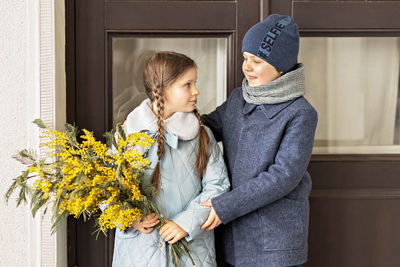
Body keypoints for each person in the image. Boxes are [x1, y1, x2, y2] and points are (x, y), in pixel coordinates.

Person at [200, 14, 318, 267]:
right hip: (234, 235)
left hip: (277, 240)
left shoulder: (300, 113)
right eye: (245, 58)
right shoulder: (238, 99)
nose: (247, 67)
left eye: (257, 60)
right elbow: (205, 129)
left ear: (281, 67)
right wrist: (165, 121)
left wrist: (226, 206)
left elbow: (284, 176)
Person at [111, 51, 230, 267]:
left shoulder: (202, 135)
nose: (196, 91)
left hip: (191, 254)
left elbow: (218, 185)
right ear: (163, 90)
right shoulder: (127, 135)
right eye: (187, 85)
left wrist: (186, 223)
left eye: (195, 83)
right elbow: (105, 187)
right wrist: (130, 218)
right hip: (138, 255)